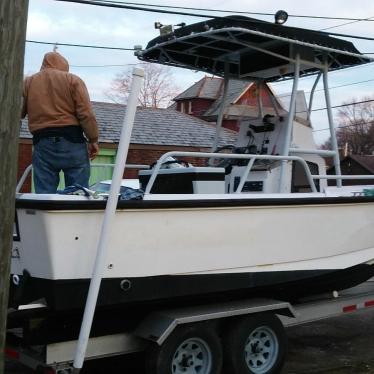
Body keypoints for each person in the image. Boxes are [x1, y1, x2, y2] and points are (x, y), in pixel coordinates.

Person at [22, 51, 99, 193]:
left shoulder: (28, 82)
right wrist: (93, 139)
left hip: (42, 142)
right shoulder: (72, 80)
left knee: (44, 195)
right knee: (78, 193)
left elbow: (19, 112)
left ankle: (45, 215)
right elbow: (86, 114)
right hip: (72, 141)